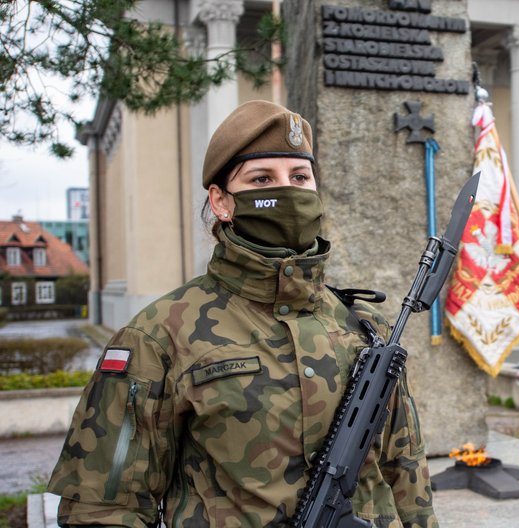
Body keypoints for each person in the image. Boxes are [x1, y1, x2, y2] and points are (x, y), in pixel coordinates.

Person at [48, 100, 438, 527]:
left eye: (300, 176)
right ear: (221, 201)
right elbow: (102, 506)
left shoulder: (367, 328)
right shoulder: (157, 337)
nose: (287, 189)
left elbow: (405, 467)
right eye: (262, 178)